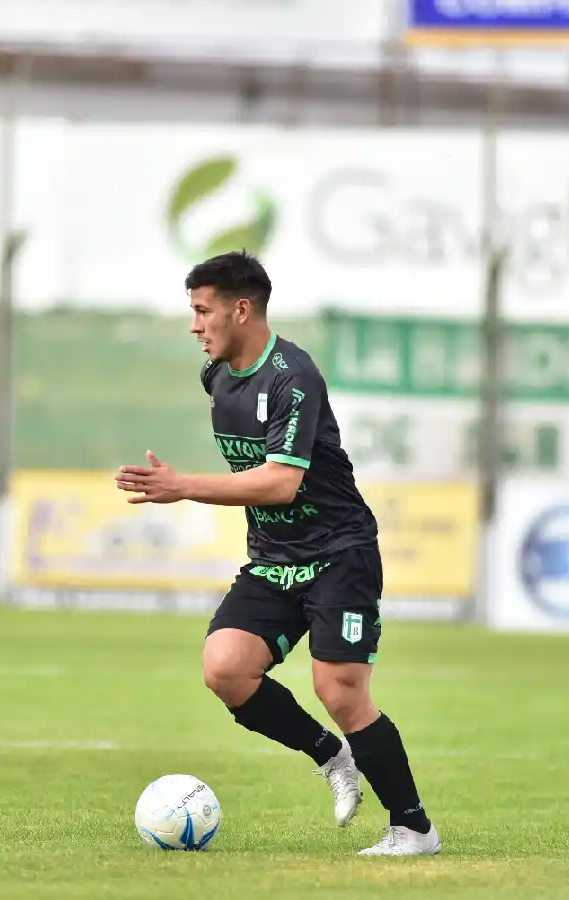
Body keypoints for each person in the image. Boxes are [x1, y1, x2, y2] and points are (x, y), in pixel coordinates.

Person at [115, 250, 440, 857]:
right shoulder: (216, 376)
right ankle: (330, 755)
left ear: (241, 309)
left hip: (339, 551)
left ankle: (413, 828)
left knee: (340, 690)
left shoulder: (293, 376)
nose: (194, 325)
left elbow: (280, 482)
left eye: (202, 311)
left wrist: (183, 486)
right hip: (274, 557)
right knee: (226, 668)